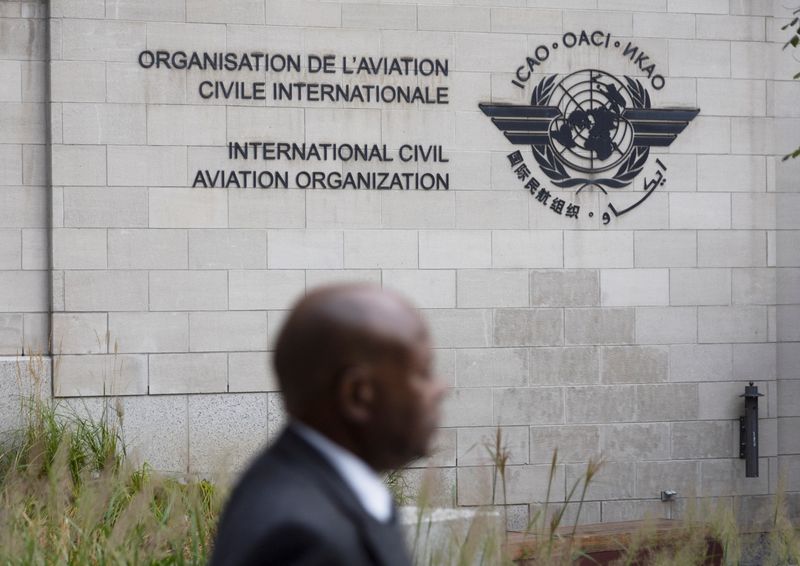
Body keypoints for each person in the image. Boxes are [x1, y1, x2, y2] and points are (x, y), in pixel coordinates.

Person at [211, 284, 447, 566]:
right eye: (423, 372)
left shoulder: (318, 492)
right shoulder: (301, 537)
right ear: (358, 394)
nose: (441, 388)